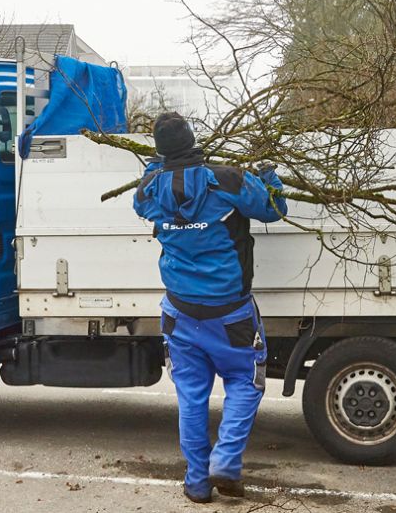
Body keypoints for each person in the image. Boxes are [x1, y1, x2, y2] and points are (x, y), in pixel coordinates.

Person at [133, 112, 288, 504]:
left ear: (162, 151)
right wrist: (268, 175)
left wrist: (155, 167)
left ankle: (198, 483)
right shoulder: (228, 179)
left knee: (191, 397)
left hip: (180, 313)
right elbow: (273, 208)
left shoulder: (151, 188)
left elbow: (139, 203)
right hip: (230, 314)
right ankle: (226, 461)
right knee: (245, 382)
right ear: (192, 140)